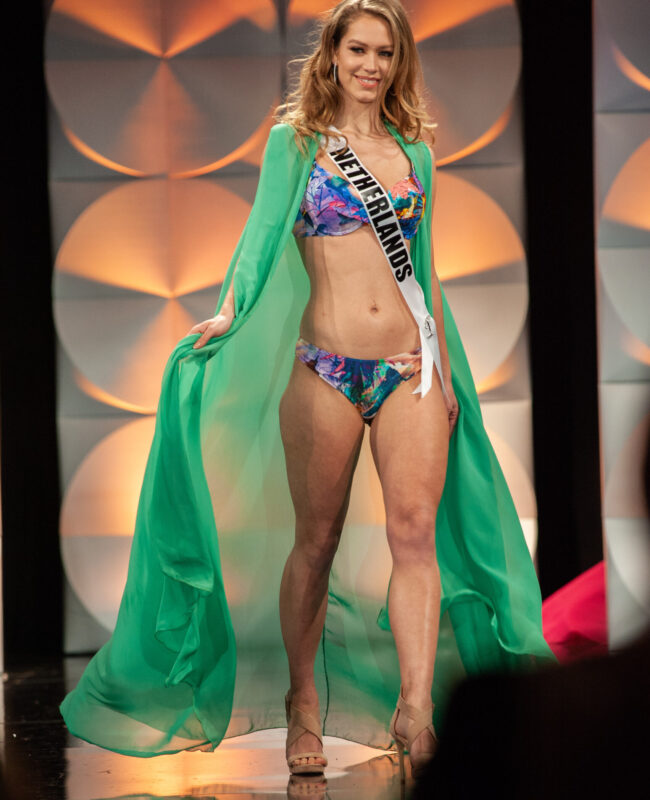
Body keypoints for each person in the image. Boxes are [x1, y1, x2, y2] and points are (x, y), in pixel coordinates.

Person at [59, 0, 555, 781]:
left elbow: (425, 273)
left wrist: (445, 370)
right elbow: (260, 237)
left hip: (409, 369)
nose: (370, 65)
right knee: (316, 542)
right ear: (332, 54)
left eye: (385, 53)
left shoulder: (413, 152)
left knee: (414, 534)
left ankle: (416, 711)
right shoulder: (296, 144)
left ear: (398, 62)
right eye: (358, 48)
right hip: (326, 366)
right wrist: (229, 308)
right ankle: (302, 703)